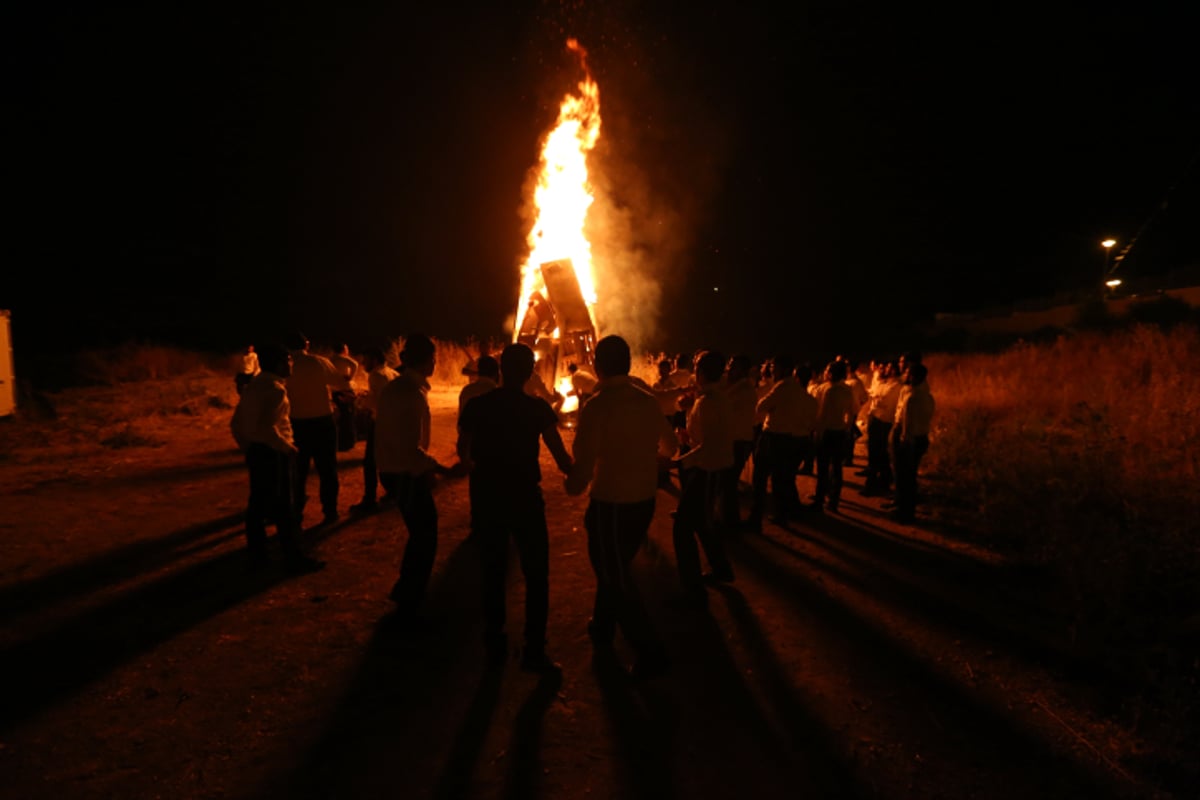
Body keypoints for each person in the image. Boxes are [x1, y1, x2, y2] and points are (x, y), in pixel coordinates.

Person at [565, 335, 676, 678]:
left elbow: (583, 463)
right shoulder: (647, 400)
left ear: (597, 366)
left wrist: (573, 485)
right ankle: (602, 627)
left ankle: (651, 651)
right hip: (643, 501)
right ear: (628, 364)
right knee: (615, 567)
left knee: (613, 573)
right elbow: (670, 448)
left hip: (612, 503)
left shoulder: (598, 405)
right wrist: (644, 463)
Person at [457, 344, 573, 672]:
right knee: (537, 573)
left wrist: (469, 463)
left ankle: (494, 640)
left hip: (487, 497)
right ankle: (534, 646)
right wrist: (581, 472)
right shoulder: (537, 409)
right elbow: (561, 458)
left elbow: (462, 446)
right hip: (525, 498)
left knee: (492, 570)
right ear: (529, 373)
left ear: (500, 370)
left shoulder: (478, 406)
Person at [375, 334, 458, 622]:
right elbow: (410, 449)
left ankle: (407, 590)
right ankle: (410, 597)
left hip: (394, 468)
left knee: (420, 532)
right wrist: (442, 469)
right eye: (434, 358)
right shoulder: (409, 394)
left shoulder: (400, 388)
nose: (436, 363)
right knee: (425, 534)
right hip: (404, 472)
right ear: (425, 361)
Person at [230, 344, 325, 573]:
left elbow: (237, 423)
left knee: (258, 506)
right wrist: (287, 448)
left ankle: (258, 555)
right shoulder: (274, 390)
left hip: (259, 451)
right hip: (274, 453)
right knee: (286, 507)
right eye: (289, 361)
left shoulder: (254, 386)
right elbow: (266, 427)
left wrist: (248, 448)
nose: (292, 365)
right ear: (280, 363)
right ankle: (294, 557)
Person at [672, 350, 736, 600]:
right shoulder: (713, 399)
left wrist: (676, 458)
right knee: (700, 522)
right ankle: (722, 569)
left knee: (682, 528)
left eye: (697, 368)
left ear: (703, 373)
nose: (694, 373)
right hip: (710, 466)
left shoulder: (710, 402)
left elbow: (706, 444)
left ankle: (692, 587)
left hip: (706, 468)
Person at [748, 357, 816, 529]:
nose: (773, 372)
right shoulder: (804, 394)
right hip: (796, 440)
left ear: (784, 370)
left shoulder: (782, 388)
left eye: (775, 369)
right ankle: (786, 513)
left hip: (775, 438)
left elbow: (760, 406)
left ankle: (759, 516)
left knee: (762, 478)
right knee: (784, 478)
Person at [285, 333, 344, 526]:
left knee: (298, 471)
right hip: (322, 422)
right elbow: (338, 381)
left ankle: (296, 512)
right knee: (327, 469)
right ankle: (330, 510)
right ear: (307, 345)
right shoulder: (319, 362)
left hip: (296, 424)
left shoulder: (285, 366)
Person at [456, 355, 499, 544]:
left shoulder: (467, 390)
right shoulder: (496, 391)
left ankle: (477, 520)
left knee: (476, 482)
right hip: (493, 443)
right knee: (495, 483)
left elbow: (461, 420)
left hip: (472, 441)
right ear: (496, 373)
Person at [349, 347, 397, 513]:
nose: (362, 364)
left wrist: (359, 400)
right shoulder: (391, 373)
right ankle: (393, 492)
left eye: (366, 360)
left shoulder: (376, 376)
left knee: (370, 462)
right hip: (392, 422)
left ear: (375, 360)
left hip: (381, 422)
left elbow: (377, 402)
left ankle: (369, 500)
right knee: (388, 459)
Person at [890, 363, 935, 523]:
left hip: (909, 441)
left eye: (907, 373)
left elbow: (907, 425)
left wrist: (903, 440)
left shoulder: (912, 398)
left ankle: (904, 513)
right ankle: (907, 510)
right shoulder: (928, 396)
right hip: (921, 438)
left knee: (904, 477)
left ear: (913, 377)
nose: (904, 375)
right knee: (910, 477)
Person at [811, 360, 856, 513]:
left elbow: (819, 414)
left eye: (827, 371)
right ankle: (833, 501)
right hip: (839, 432)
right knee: (836, 467)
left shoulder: (824, 389)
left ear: (830, 373)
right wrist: (847, 426)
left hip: (826, 432)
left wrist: (816, 431)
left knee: (823, 468)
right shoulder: (847, 390)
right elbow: (852, 411)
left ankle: (820, 499)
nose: (825, 373)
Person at [722, 354, 758, 529]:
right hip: (735, 440)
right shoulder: (737, 387)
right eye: (729, 365)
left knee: (728, 483)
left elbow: (722, 406)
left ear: (743, 371)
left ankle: (731, 524)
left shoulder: (744, 390)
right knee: (727, 483)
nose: (729, 369)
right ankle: (729, 521)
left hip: (738, 441)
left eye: (733, 366)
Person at [862, 361, 901, 495]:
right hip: (875, 417)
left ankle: (873, 485)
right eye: (886, 367)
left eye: (890, 367)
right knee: (876, 451)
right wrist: (876, 397)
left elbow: (883, 401)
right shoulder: (883, 382)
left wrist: (876, 397)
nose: (885, 369)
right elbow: (875, 395)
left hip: (884, 421)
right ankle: (881, 482)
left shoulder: (896, 386)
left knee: (878, 453)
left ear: (895, 371)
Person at [330, 343, 360, 452]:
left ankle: (340, 442)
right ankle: (349, 442)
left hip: (335, 391)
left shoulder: (330, 360)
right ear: (343, 349)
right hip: (346, 390)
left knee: (338, 418)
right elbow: (355, 364)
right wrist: (351, 377)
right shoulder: (344, 359)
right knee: (348, 416)